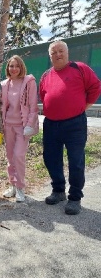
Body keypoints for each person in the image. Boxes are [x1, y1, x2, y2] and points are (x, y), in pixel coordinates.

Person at [39, 40, 101, 215]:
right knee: (51, 158)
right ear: (50, 56)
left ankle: (75, 198)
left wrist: (83, 107)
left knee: (76, 161)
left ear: (67, 53)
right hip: (51, 124)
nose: (58, 55)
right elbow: (43, 96)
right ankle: (58, 191)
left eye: (61, 51)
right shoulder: (45, 76)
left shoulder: (80, 68)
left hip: (75, 124)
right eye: (54, 52)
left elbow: (95, 87)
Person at [0, 55, 39, 202]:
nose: (14, 68)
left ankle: (21, 187)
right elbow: (3, 107)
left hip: (23, 127)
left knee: (18, 156)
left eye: (17, 66)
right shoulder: (5, 84)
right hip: (8, 125)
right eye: (11, 66)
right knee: (10, 157)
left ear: (21, 67)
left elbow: (33, 106)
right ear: (8, 68)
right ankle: (13, 186)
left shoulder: (29, 81)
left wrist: (30, 125)